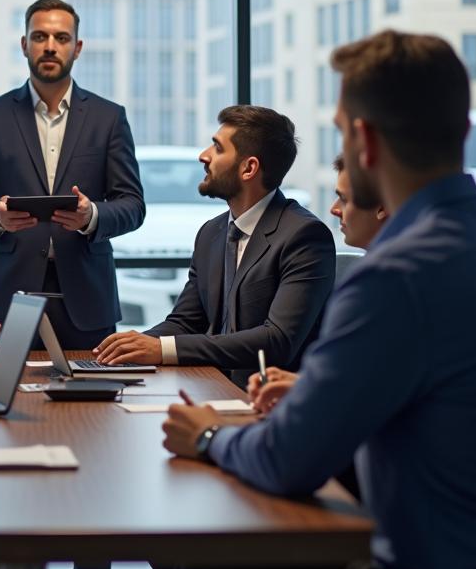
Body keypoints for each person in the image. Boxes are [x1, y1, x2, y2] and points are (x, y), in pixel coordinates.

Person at [154, 29, 476, 569]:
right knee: (225, 559)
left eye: (339, 132)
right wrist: (320, 392)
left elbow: (287, 460)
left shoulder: (394, 276)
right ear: (460, 129)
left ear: (366, 143)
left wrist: (208, 437)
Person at [0, 0, 146, 569]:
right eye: (40, 36)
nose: (51, 46)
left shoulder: (109, 119)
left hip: (87, 307)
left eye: (62, 37)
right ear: (25, 45)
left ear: (78, 48)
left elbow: (132, 206)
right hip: (10, 304)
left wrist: (92, 217)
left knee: (95, 455)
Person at [95, 105, 336, 389]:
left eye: (217, 148)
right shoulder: (212, 232)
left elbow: (277, 340)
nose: (203, 156)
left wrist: (161, 350)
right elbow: (185, 322)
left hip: (267, 402)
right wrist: (128, 347)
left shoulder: (304, 235)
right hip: (209, 389)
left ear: (249, 168)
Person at [252, 152, 387, 414]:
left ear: (382, 205)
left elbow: (372, 398)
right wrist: (304, 384)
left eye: (344, 199)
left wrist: (209, 435)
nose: (334, 208)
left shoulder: (386, 285)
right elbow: (370, 382)